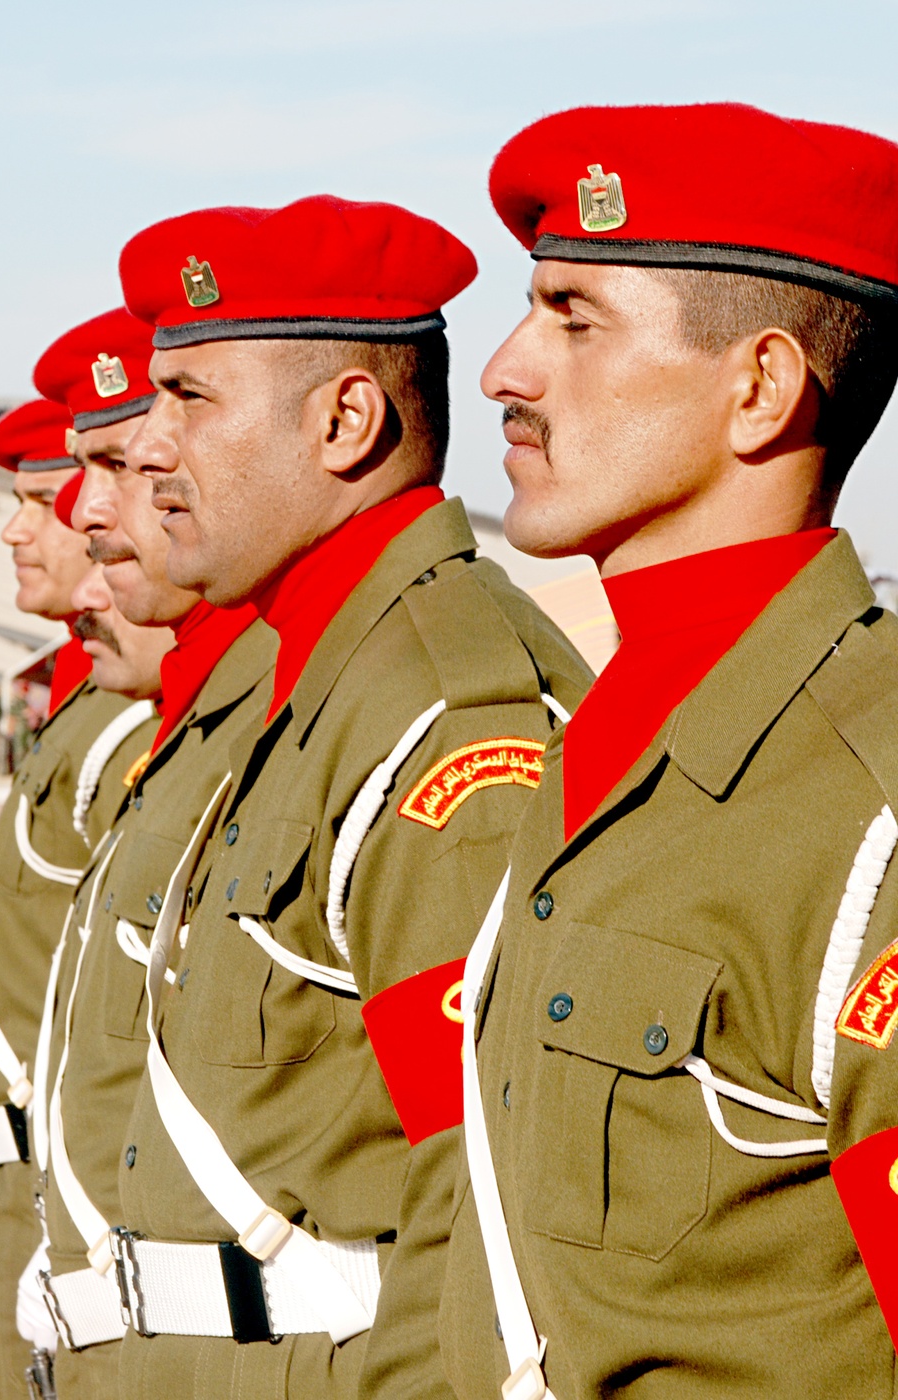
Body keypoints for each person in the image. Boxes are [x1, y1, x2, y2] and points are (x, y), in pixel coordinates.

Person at [437, 103, 898, 1400]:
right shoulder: (616, 735)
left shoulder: (863, 800)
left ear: (759, 388)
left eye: (574, 319)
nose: (505, 371)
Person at [105, 195, 592, 1400]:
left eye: (190, 397)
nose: (149, 447)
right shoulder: (328, 674)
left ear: (344, 420)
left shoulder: (443, 706)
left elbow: (483, 1192)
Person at [10, 306, 277, 1398]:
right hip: (112, 1287)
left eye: (113, 465)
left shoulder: (295, 716)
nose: (77, 516)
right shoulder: (188, 720)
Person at [0, 398, 163, 1400]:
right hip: (32, 1181)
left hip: (74, 1188)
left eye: (44, 498)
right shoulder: (94, 705)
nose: (26, 528)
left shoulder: (132, 725)